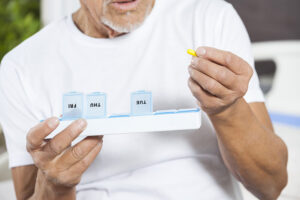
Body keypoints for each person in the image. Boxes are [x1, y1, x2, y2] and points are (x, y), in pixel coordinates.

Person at [0, 0, 288, 199]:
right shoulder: (21, 67)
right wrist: (56, 187)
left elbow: (271, 185)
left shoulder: (209, 18)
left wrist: (227, 109)